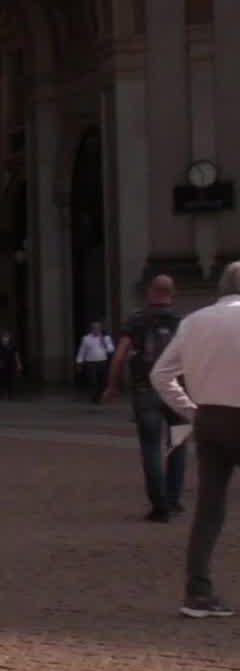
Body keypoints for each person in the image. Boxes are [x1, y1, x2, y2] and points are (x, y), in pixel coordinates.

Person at [149, 261, 240, 619]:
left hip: (209, 417)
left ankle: (197, 591)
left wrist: (190, 410)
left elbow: (161, 374)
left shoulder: (193, 321)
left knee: (209, 507)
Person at [105, 274, 188, 523]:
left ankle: (160, 507)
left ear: (150, 292)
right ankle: (173, 500)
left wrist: (113, 385)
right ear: (173, 294)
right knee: (178, 445)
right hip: (177, 391)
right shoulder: (182, 322)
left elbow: (119, 356)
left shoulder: (136, 320)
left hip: (146, 390)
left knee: (150, 448)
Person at [75, 322, 111, 403]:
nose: (96, 330)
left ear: (101, 329)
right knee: (93, 381)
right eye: (94, 328)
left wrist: (103, 341)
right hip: (91, 363)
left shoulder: (106, 338)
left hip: (102, 362)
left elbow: (110, 350)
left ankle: (101, 397)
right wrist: (79, 362)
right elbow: (82, 351)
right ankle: (94, 398)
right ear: (91, 329)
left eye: (98, 328)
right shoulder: (86, 338)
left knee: (102, 381)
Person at [0, 330, 24, 399]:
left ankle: (10, 394)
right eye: (4, 337)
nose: (5, 338)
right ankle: (1, 393)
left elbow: (16, 355)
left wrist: (19, 363)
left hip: (11, 364)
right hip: (2, 364)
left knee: (11, 379)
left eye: (6, 337)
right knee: (1, 378)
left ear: (9, 338)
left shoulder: (13, 345)